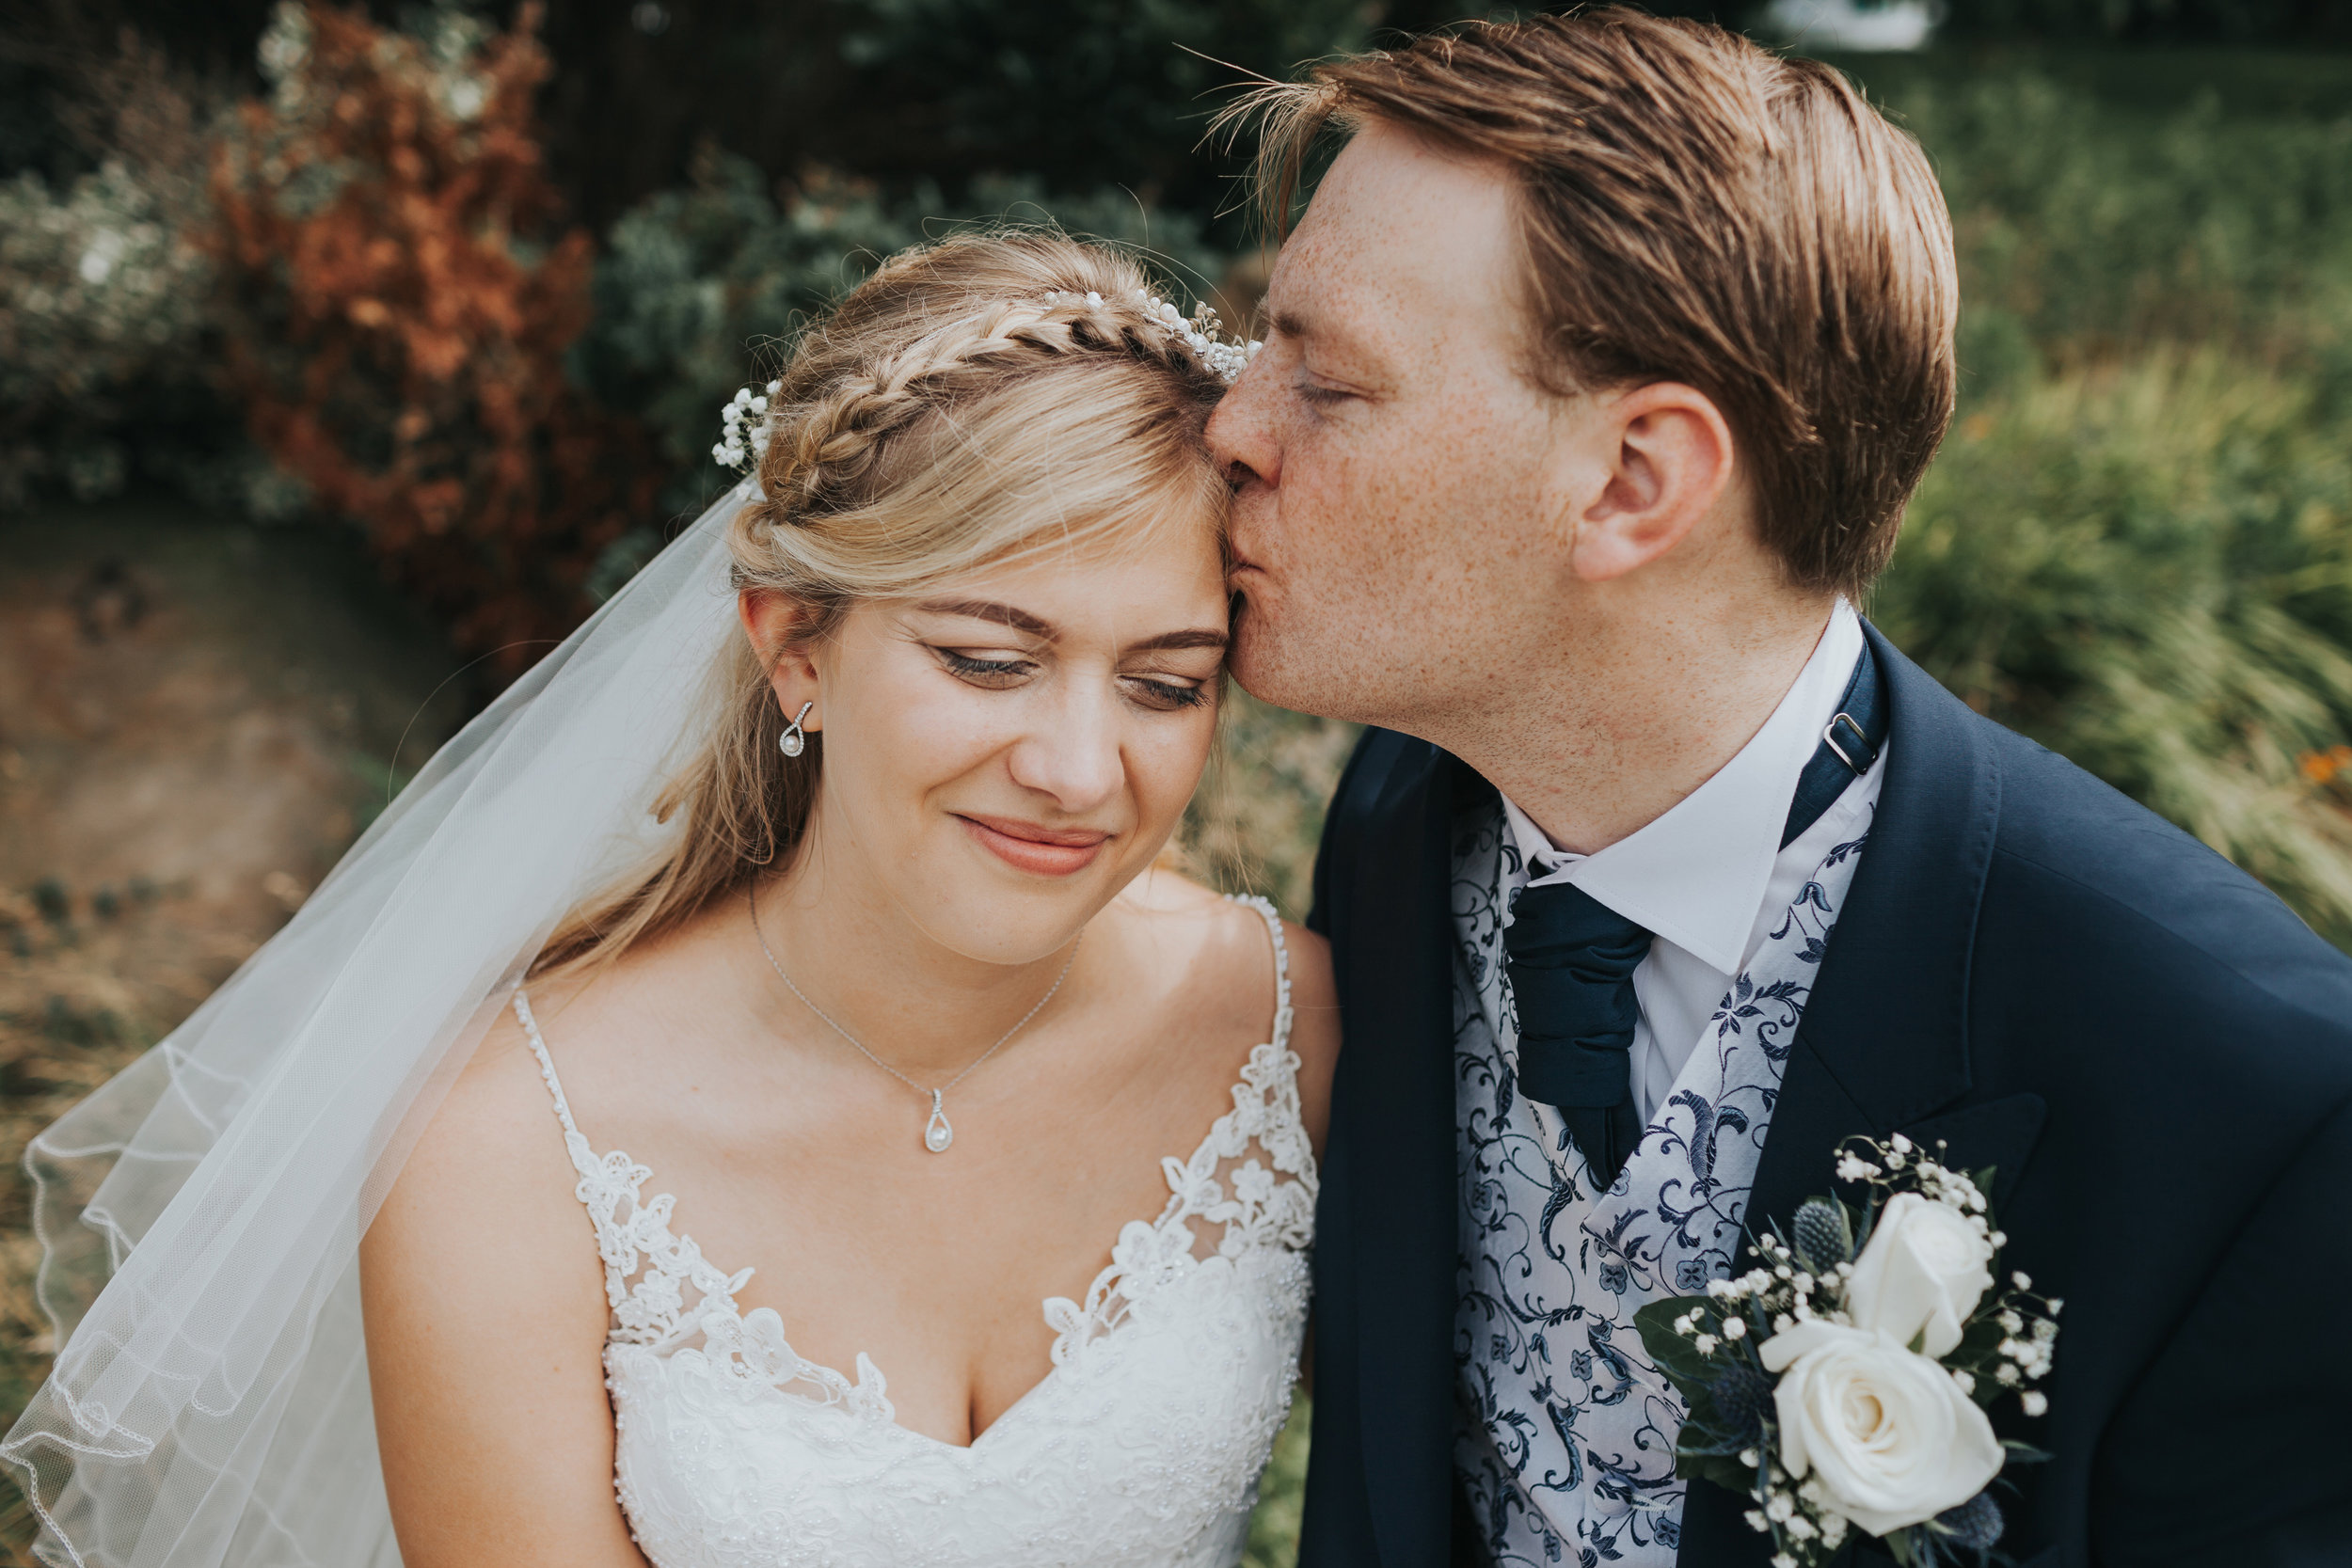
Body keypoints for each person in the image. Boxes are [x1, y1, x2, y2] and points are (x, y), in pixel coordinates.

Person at [1207, 10, 2352, 1568]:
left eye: (1325, 383)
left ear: (1633, 481)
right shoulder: (1401, 817)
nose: (1229, 427)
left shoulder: (2252, 1101)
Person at [3, 232, 1338, 1568]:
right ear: (794, 650)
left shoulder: (1288, 1025)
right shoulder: (509, 1146)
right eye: (989, 661)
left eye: (1165, 684)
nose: (1076, 770)